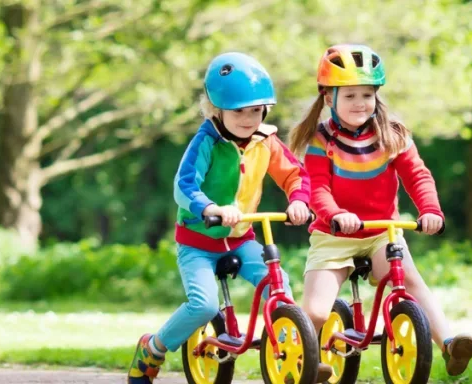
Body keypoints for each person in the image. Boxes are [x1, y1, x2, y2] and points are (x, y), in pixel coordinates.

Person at [128, 52, 331, 383]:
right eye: (238, 111)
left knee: (277, 284)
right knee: (204, 306)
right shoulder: (206, 142)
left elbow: (295, 175)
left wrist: (298, 200)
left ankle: (294, 352)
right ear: (215, 109)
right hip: (198, 242)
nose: (248, 118)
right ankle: (153, 348)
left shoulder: (266, 141)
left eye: (256, 110)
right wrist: (211, 208)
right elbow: (184, 186)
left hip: (241, 239)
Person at [288, 44, 472, 377]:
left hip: (381, 232)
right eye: (349, 96)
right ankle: (302, 361)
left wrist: (430, 210)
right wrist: (336, 215)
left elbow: (417, 176)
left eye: (367, 94)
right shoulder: (321, 140)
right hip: (334, 236)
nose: (360, 103)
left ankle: (448, 345)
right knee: (316, 312)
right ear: (329, 98)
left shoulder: (392, 135)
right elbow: (317, 188)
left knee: (411, 282)